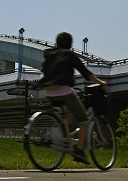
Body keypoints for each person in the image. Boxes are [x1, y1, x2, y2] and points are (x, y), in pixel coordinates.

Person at [38, 32, 107, 164]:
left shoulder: (50, 55)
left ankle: (65, 137)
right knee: (84, 119)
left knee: (67, 110)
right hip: (64, 91)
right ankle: (79, 150)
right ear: (70, 44)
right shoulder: (68, 54)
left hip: (48, 91)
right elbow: (86, 73)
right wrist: (101, 82)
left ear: (57, 43)